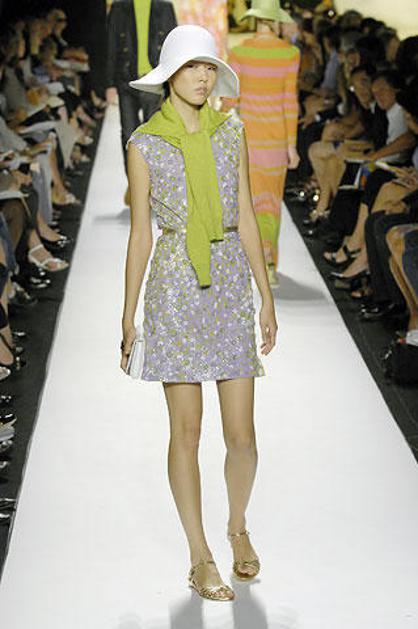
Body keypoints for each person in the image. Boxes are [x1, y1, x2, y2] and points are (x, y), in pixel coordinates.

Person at [120, 24, 277, 601]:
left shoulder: (231, 131)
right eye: (192, 66)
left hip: (229, 281)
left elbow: (245, 213)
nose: (203, 76)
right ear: (169, 74)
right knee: (185, 433)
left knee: (243, 438)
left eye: (209, 66)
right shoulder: (143, 144)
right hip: (175, 287)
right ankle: (199, 554)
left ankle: (237, 525)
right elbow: (141, 233)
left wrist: (265, 294)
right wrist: (128, 314)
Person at [222, 0, 300, 285]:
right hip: (277, 142)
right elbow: (289, 102)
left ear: (255, 18)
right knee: (272, 203)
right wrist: (291, 146)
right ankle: (269, 264)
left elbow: (229, 101)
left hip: (249, 141)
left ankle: (253, 263)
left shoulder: (239, 52)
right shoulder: (290, 53)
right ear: (277, 19)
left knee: (250, 202)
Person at [106, 0, 177, 175]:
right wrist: (109, 83)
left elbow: (173, 48)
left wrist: (173, 82)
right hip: (126, 79)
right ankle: (134, 184)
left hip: (154, 81)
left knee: (155, 135)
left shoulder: (165, 7)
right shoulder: (119, 7)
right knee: (129, 135)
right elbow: (111, 44)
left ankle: (154, 183)